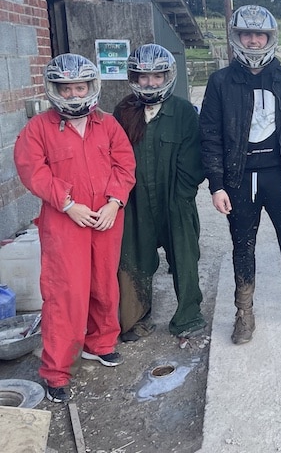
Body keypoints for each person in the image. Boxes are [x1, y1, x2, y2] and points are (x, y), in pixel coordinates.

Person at [199, 5, 281, 345]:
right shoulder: (220, 82)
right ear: (236, 37)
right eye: (247, 34)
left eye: (260, 35)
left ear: (271, 38)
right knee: (243, 245)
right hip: (240, 179)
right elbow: (210, 135)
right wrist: (216, 184)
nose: (254, 41)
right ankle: (244, 312)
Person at [14, 54, 136, 403]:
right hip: (64, 221)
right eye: (65, 88)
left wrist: (115, 202)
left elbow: (124, 164)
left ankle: (99, 344)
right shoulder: (38, 128)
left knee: (104, 285)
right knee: (66, 294)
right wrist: (68, 204)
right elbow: (32, 171)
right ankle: (56, 371)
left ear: (91, 87)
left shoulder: (108, 124)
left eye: (79, 87)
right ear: (54, 90)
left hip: (106, 217)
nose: (72, 94)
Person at [113, 44, 206, 345]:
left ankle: (188, 316)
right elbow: (115, 156)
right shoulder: (123, 111)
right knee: (133, 258)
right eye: (143, 77)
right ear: (133, 78)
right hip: (135, 200)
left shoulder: (183, 111)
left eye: (157, 75)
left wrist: (181, 198)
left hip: (175, 198)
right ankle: (136, 318)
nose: (150, 82)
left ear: (169, 75)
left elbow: (194, 161)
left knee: (184, 257)